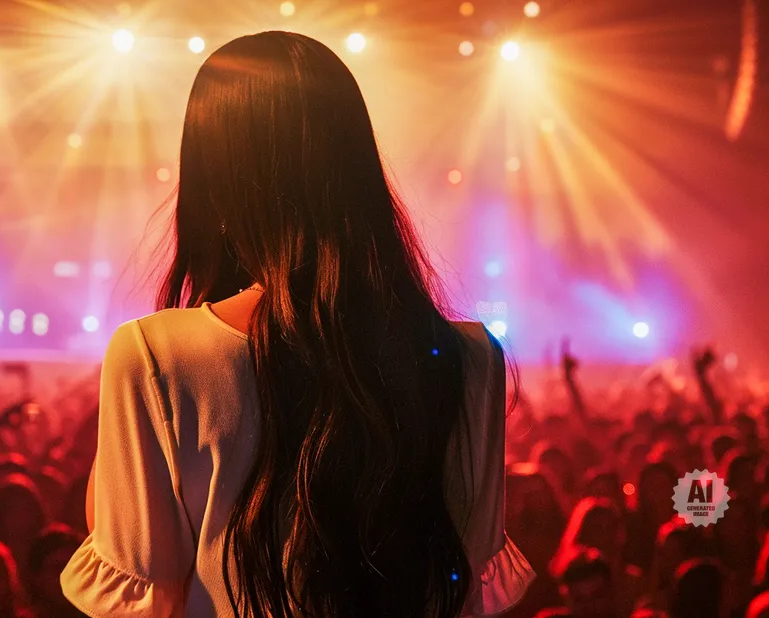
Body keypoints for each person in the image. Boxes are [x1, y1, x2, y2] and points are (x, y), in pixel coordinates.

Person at [60, 30, 533, 617]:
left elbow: (144, 597)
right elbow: (468, 587)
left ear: (214, 174)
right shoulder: (471, 358)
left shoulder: (157, 357)